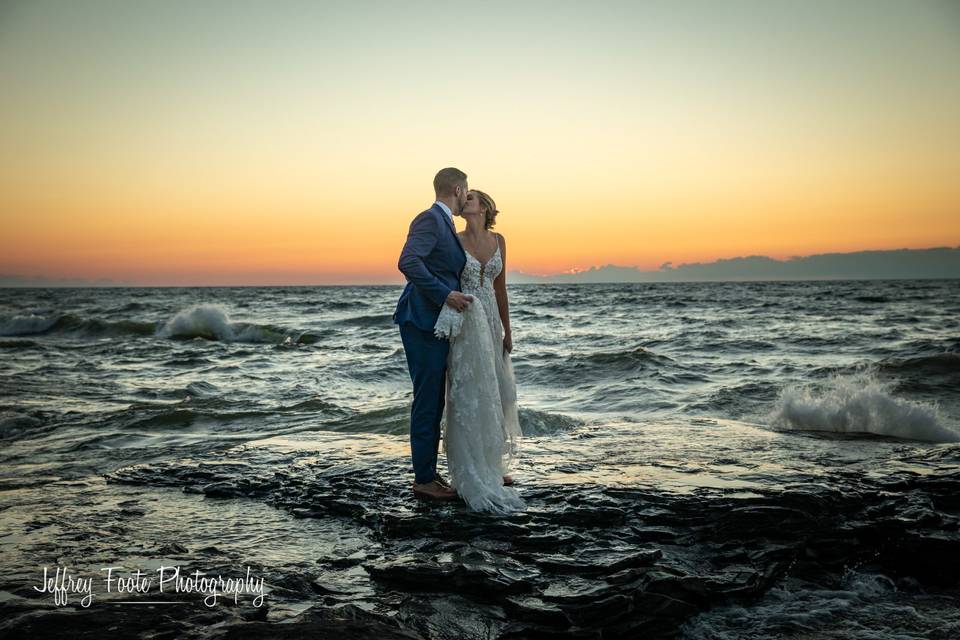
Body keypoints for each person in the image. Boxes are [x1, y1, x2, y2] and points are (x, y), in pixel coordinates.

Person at [434, 189, 525, 514]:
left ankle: (493, 464)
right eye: (465, 196)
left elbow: (500, 287)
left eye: (471, 197)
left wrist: (507, 329)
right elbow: (443, 279)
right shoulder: (454, 241)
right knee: (469, 390)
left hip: (490, 317)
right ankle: (468, 470)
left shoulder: (499, 239)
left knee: (494, 392)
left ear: (485, 206)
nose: (465, 201)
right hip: (468, 319)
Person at [394, 168, 472, 500]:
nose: (468, 196)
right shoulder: (429, 219)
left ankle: (429, 472)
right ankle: (423, 480)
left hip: (435, 323)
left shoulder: (445, 224)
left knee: (434, 397)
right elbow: (408, 262)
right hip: (422, 320)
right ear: (457, 188)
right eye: (466, 189)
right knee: (427, 399)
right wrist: (445, 294)